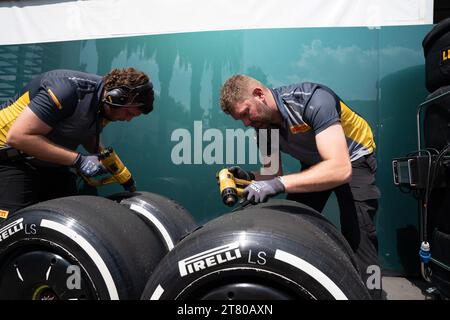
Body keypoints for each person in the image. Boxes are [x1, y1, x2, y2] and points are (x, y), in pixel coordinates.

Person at [220, 74, 381, 299]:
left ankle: (372, 295)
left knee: (359, 237)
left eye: (246, 113)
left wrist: (277, 184)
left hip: (353, 160)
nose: (246, 123)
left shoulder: (313, 100)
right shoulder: (263, 126)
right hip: (318, 162)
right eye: (241, 120)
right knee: (293, 223)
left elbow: (339, 169)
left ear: (259, 95)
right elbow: (272, 175)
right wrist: (247, 177)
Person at [0, 68, 154, 216]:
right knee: (13, 225)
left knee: (69, 216)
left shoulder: (105, 106)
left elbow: (83, 132)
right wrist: (80, 161)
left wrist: (104, 157)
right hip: (9, 158)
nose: (128, 119)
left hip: (47, 163)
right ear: (116, 97)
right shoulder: (66, 89)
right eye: (128, 113)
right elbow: (18, 137)